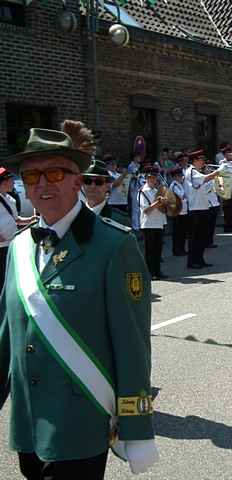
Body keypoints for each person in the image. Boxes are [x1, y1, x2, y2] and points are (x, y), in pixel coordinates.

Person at [0, 122, 158, 479]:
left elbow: (133, 347)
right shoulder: (20, 247)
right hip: (28, 422)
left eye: (54, 172)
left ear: (77, 179)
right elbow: (6, 335)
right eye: (31, 175)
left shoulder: (115, 246)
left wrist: (137, 426)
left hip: (80, 421)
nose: (41, 184)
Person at [0, 168, 35, 292]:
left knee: (8, 276)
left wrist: (31, 219)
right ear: (4, 182)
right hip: (1, 247)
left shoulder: (10, 199)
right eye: (11, 180)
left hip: (10, 244)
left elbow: (16, 220)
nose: (14, 183)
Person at [184, 150, 220, 269]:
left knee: (202, 237)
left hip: (203, 207)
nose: (203, 162)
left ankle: (200, 259)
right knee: (194, 237)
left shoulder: (197, 172)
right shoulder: (192, 172)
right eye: (201, 160)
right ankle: (192, 261)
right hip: (195, 209)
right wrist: (219, 171)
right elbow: (205, 179)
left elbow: (207, 185)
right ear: (194, 161)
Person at [138, 165, 168, 280]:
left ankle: (157, 271)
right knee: (150, 250)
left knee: (158, 250)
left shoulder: (157, 190)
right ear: (146, 178)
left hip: (159, 222)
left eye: (154, 178)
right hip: (148, 224)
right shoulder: (143, 191)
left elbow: (164, 208)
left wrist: (165, 203)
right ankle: (149, 273)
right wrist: (157, 202)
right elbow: (145, 210)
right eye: (150, 177)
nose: (153, 180)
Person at [82, 159, 130, 226]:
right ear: (83, 185)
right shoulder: (74, 214)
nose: (92, 186)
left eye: (98, 182)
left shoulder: (120, 219)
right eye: (88, 181)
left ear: (107, 186)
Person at [169, 167, 188, 256]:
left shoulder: (179, 184)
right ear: (174, 177)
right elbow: (182, 196)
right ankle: (177, 250)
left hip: (183, 211)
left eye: (181, 175)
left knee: (183, 232)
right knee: (178, 233)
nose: (181, 177)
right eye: (179, 176)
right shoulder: (175, 185)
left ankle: (182, 249)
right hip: (177, 212)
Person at [220, 147, 232, 233]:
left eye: (230, 153)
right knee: (227, 208)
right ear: (224, 155)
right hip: (227, 187)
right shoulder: (222, 163)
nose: (230, 155)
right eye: (227, 153)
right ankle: (227, 226)